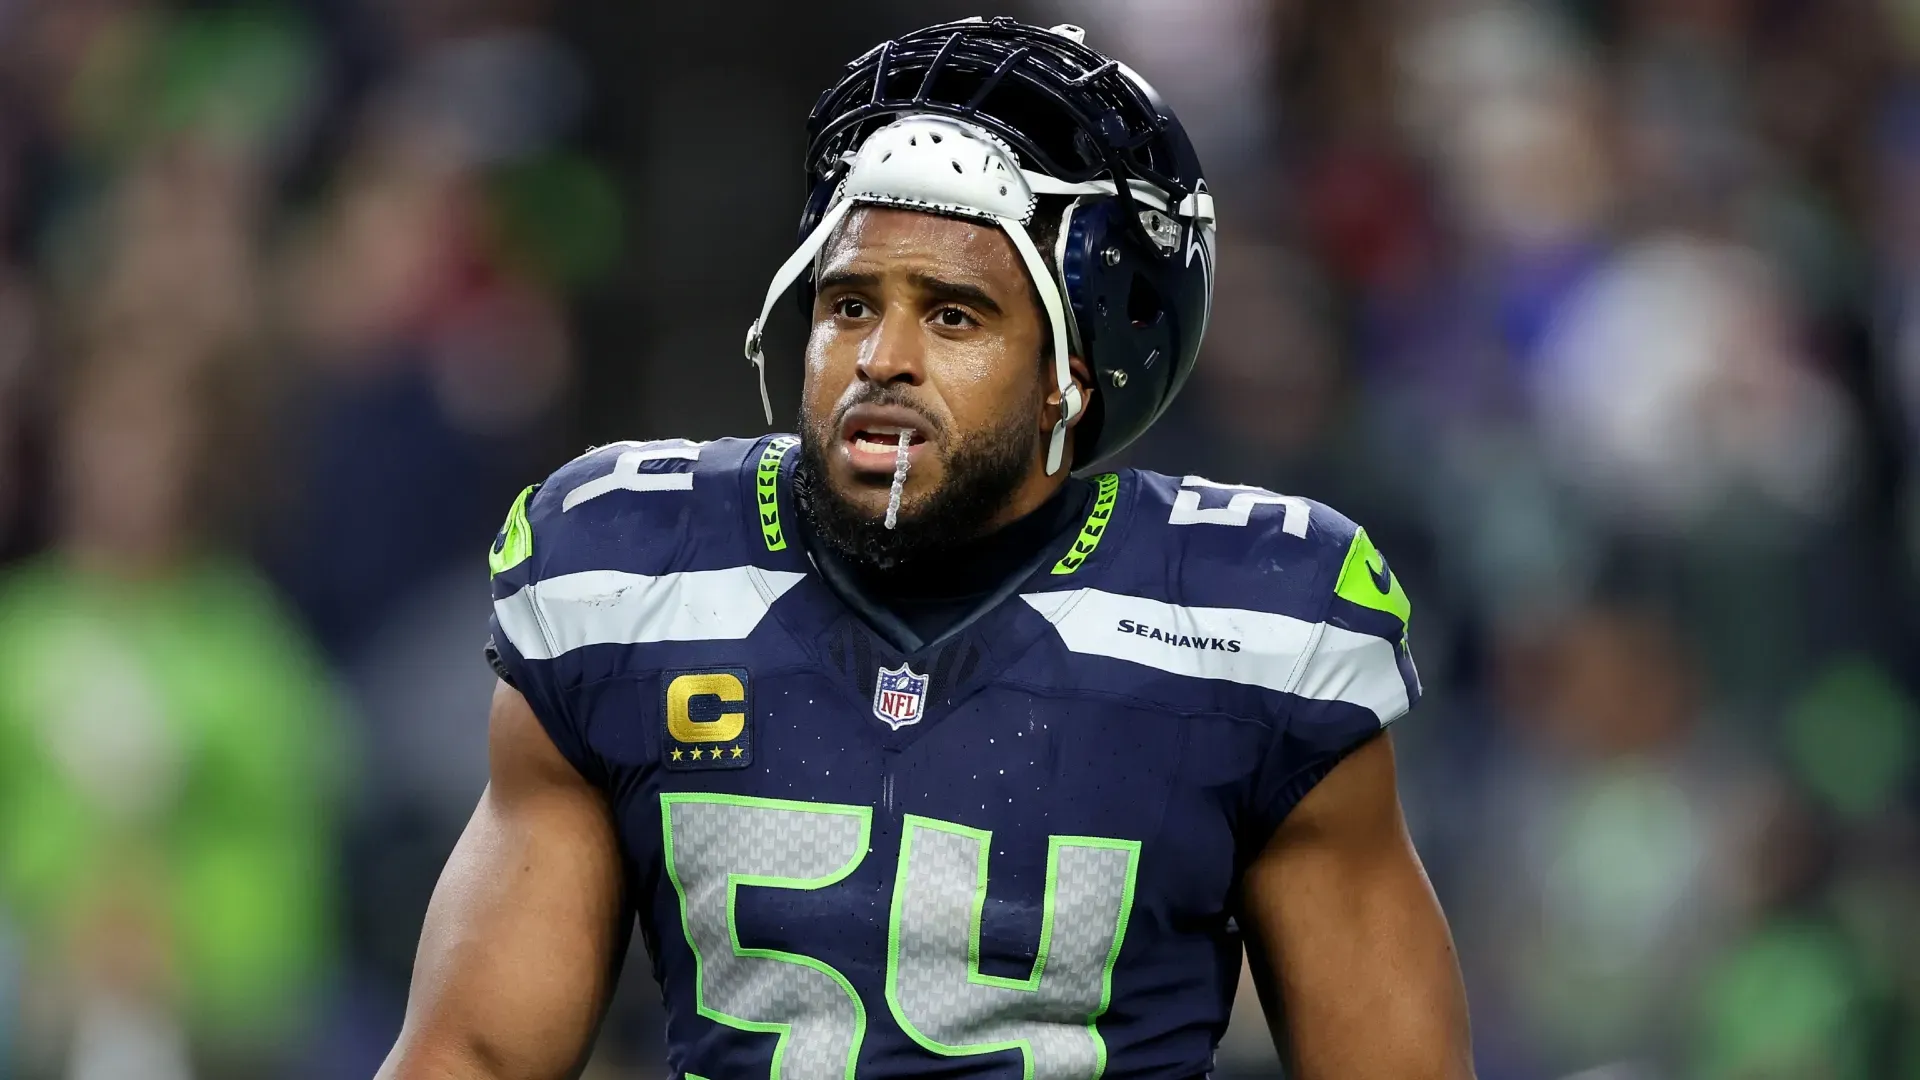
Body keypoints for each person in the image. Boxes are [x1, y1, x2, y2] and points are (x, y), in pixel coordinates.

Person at [379, 17, 1473, 1080]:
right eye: (851, 304)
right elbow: (475, 1056)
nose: (881, 358)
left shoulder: (1247, 624)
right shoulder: (631, 573)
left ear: (1072, 373)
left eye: (953, 315)